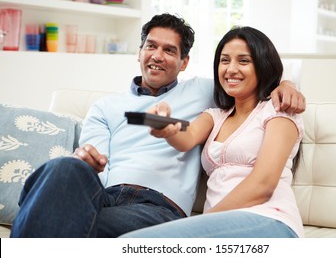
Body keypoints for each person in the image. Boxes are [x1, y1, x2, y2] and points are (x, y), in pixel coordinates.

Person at [10, 14, 305, 238]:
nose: (158, 56)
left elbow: (255, 76)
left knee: (63, 224)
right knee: (64, 166)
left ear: (184, 62)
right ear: (139, 52)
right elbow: (96, 166)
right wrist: (85, 161)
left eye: (169, 50)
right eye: (151, 46)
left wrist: (286, 85)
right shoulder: (105, 107)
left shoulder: (205, 92)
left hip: (157, 207)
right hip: (106, 195)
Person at [120, 26, 304, 238]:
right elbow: (186, 137)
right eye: (224, 60)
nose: (231, 69)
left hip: (270, 219)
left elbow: (263, 186)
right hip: (220, 225)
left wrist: (200, 222)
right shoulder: (215, 116)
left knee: (133, 242)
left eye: (243, 61)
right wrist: (166, 128)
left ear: (263, 66)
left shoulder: (279, 111)